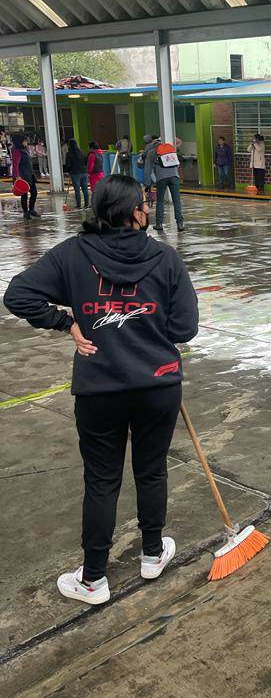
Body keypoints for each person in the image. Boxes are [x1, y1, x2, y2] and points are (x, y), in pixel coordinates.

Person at [3, 175, 198, 605]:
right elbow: (185, 328)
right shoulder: (165, 260)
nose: (149, 208)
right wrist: (143, 327)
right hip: (157, 385)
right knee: (151, 470)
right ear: (133, 213)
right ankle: (151, 553)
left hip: (99, 389)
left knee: (102, 481)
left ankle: (94, 579)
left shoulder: (73, 255)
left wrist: (68, 321)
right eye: (144, 203)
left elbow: (18, 294)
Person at [144, 137, 185, 232]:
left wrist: (148, 184)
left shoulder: (151, 152)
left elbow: (148, 170)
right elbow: (176, 164)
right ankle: (180, 224)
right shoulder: (169, 149)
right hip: (174, 176)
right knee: (176, 201)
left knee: (160, 201)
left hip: (161, 178)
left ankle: (159, 224)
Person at [12, 134, 40, 220]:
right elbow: (15, 164)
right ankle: (25, 212)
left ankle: (31, 209)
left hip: (30, 174)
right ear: (20, 141)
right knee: (24, 195)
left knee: (34, 193)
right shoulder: (17, 151)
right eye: (25, 140)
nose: (26, 142)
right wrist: (17, 176)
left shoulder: (25, 149)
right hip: (23, 176)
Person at [64, 138, 89, 209]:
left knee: (77, 190)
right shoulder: (81, 152)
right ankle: (87, 204)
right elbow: (85, 161)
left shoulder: (69, 154)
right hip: (84, 172)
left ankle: (79, 205)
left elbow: (68, 165)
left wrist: (69, 171)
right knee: (85, 189)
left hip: (75, 173)